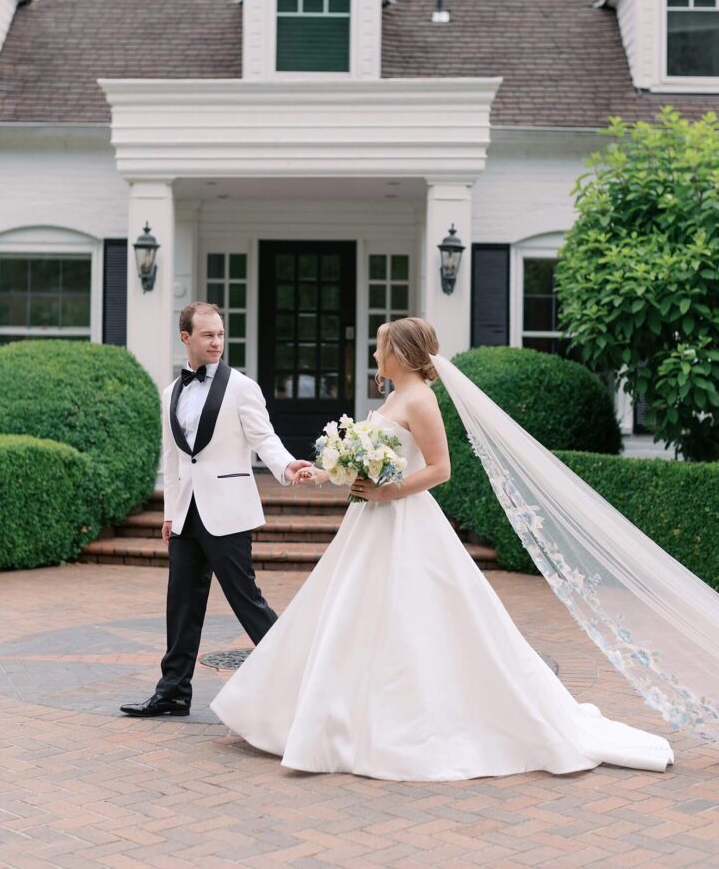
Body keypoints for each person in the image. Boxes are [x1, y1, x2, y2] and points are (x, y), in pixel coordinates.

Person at [209, 317, 675, 780]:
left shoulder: (422, 400)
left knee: (413, 619)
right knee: (348, 613)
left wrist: (391, 492)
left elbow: (440, 469)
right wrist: (327, 472)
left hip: (405, 521)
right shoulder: (393, 396)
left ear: (401, 353)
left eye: (380, 347)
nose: (374, 355)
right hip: (369, 523)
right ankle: (336, 719)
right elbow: (368, 462)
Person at [121, 302, 311, 717]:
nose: (217, 343)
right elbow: (172, 460)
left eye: (221, 334)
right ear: (185, 337)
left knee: (247, 600)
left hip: (228, 509)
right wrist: (171, 513)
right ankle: (172, 693)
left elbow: (265, 438)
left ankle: (303, 679)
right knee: (182, 605)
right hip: (187, 513)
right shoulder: (171, 392)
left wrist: (286, 465)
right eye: (208, 335)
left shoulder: (242, 387)